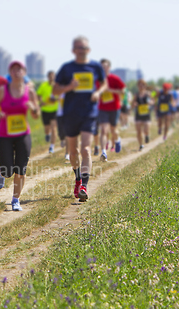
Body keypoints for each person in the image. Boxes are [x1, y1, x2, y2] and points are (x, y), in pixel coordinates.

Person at [53, 36, 107, 202]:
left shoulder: (95, 66)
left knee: (85, 149)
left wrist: (98, 92)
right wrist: (69, 87)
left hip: (89, 113)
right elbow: (55, 90)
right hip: (70, 113)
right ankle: (77, 178)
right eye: (78, 47)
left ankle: (84, 185)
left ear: (88, 49)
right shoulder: (67, 68)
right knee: (73, 152)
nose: (81, 50)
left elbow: (104, 83)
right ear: (73, 50)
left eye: (84, 47)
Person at [0, 61, 40, 211]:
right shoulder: (2, 90)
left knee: (21, 168)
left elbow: (36, 114)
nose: (16, 72)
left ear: (24, 72)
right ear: (10, 73)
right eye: (13, 69)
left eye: (19, 69)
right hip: (4, 134)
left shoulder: (29, 92)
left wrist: (33, 108)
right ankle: (2, 171)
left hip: (22, 134)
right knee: (8, 171)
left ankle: (15, 199)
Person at [97, 59, 125, 162]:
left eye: (105, 66)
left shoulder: (114, 79)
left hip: (114, 108)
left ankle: (117, 140)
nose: (103, 68)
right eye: (101, 67)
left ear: (109, 67)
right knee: (104, 130)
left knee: (113, 130)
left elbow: (122, 91)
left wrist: (110, 90)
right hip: (102, 108)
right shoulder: (97, 80)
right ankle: (103, 151)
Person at [37, 71, 59, 153]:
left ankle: (52, 147)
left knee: (54, 128)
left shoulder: (57, 86)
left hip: (54, 110)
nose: (51, 78)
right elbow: (38, 95)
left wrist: (56, 100)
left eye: (53, 76)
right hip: (45, 110)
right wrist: (41, 101)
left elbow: (61, 96)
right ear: (48, 77)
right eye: (50, 76)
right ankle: (47, 134)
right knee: (47, 129)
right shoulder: (43, 85)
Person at [131, 79, 153, 150]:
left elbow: (153, 100)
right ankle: (141, 145)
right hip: (138, 115)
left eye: (143, 85)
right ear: (138, 86)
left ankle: (147, 135)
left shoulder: (148, 93)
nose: (141, 86)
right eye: (140, 85)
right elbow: (132, 104)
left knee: (146, 130)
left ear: (145, 85)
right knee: (139, 131)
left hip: (146, 115)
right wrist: (134, 104)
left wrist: (151, 103)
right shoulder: (136, 95)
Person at [56, 94, 69, 160]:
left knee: (68, 134)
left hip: (68, 115)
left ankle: (67, 153)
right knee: (61, 133)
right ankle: (62, 139)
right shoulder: (59, 89)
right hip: (60, 114)